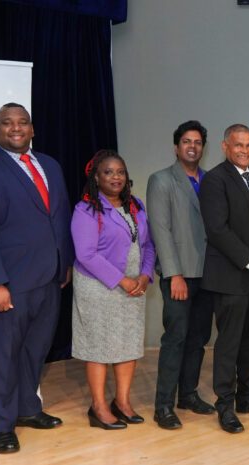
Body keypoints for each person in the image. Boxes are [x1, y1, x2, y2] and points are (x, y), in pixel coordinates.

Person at [0, 103, 74, 454]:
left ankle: (27, 409)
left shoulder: (50, 165)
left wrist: (63, 262)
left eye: (22, 122)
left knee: (34, 351)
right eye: (7, 123)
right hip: (9, 283)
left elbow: (59, 218)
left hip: (50, 278)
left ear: (33, 129)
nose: (15, 128)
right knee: (4, 355)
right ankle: (2, 425)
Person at [200, 124, 249, 434]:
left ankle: (248, 396)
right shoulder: (215, 181)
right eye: (238, 145)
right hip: (231, 275)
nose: (244, 150)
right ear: (224, 147)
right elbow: (217, 230)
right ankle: (226, 405)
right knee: (229, 342)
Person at [71, 150, 155, 430]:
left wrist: (144, 275)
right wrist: (123, 280)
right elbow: (86, 255)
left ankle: (122, 401)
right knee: (100, 347)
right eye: (108, 172)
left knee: (127, 343)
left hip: (133, 288)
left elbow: (148, 245)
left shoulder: (137, 206)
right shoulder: (86, 209)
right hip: (99, 289)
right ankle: (99, 406)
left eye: (120, 171)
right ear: (96, 177)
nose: (116, 176)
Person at [146, 121, 216, 430]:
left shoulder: (210, 180)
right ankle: (163, 405)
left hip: (208, 273)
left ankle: (188, 394)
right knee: (175, 338)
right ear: (176, 147)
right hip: (179, 275)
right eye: (187, 141)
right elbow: (160, 230)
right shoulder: (161, 180)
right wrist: (173, 274)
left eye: (198, 142)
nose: (192, 146)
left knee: (198, 338)